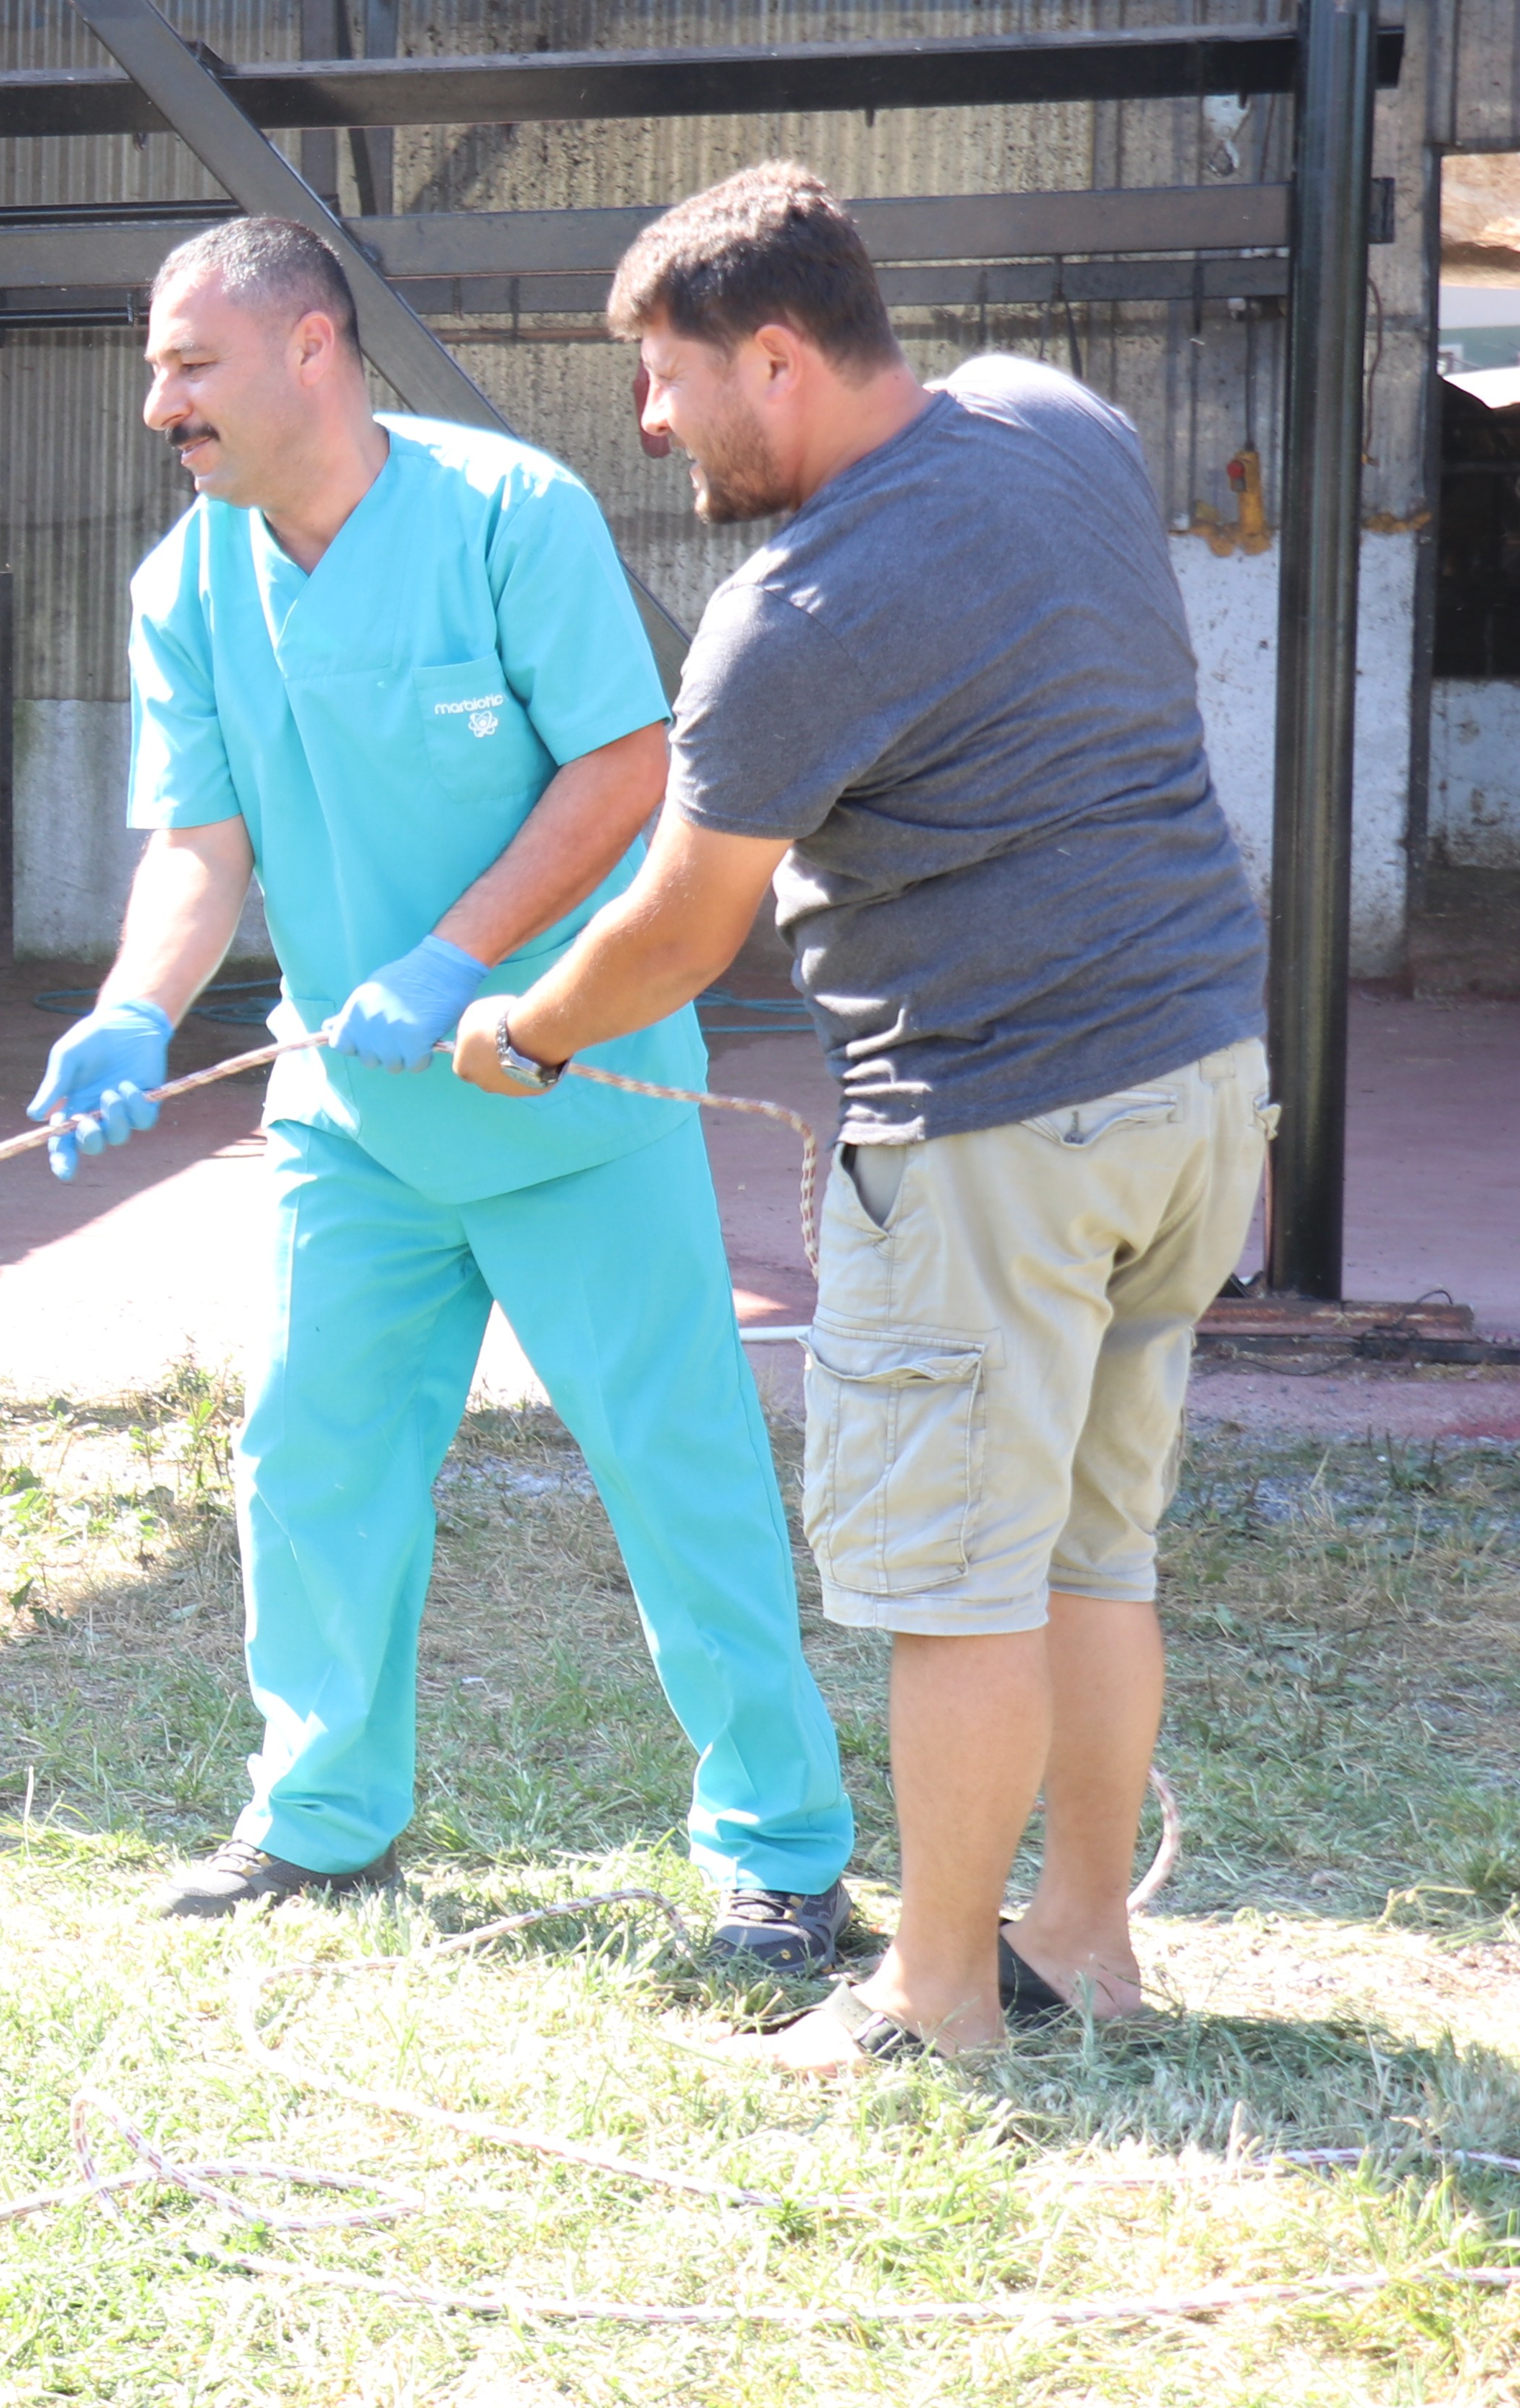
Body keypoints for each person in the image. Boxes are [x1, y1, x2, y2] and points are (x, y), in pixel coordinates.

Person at [451, 163, 1269, 2067]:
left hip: (996, 1130)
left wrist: (534, 1030)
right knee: (1093, 1550)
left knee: (957, 1587)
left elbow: (679, 922)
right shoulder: (1056, 421)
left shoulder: (794, 615)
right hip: (1199, 1083)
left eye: (666, 380)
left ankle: (942, 1999)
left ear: (780, 356)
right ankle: (1089, 1944)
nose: (648, 424)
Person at [32, 215, 853, 1964]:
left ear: (311, 345)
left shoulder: (507, 512)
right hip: (357, 1119)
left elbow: (627, 767)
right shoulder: (186, 585)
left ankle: (781, 1849)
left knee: (678, 1466)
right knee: (309, 1459)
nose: (159, 402)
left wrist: (459, 955)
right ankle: (321, 1820)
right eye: (155, 369)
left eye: (190, 364)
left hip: (577, 1096)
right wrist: (132, 1006)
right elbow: (199, 841)